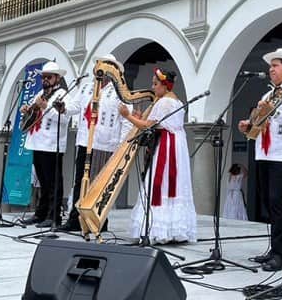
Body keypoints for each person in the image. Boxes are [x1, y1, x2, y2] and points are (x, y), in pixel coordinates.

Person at [238, 48, 282, 272]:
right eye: (271, 66)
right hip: (264, 152)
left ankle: (281, 254)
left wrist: (272, 111)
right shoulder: (268, 94)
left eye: (275, 65)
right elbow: (258, 124)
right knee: (268, 202)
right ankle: (274, 248)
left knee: (278, 203)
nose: (271, 69)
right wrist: (248, 126)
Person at [119, 68, 197, 244]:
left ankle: (158, 230)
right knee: (174, 185)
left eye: (155, 84)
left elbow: (147, 125)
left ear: (164, 85)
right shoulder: (176, 101)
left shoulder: (163, 103)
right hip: (177, 144)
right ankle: (174, 229)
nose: (153, 87)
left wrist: (128, 116)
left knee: (160, 184)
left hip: (167, 145)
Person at [62, 54, 133, 232]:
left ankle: (98, 220)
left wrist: (121, 146)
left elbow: (126, 120)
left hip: (105, 144)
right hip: (85, 140)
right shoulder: (87, 87)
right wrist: (63, 107)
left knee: (98, 185)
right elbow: (74, 107)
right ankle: (75, 219)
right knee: (80, 182)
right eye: (98, 65)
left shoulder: (119, 91)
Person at [20, 61, 79, 229]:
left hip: (52, 143)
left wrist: (46, 107)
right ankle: (41, 213)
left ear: (57, 78)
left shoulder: (63, 95)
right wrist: (27, 109)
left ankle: (54, 215)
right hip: (37, 141)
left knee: (53, 181)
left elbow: (65, 118)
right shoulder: (40, 93)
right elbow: (34, 112)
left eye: (48, 77)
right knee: (42, 181)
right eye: (43, 77)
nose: (45, 80)